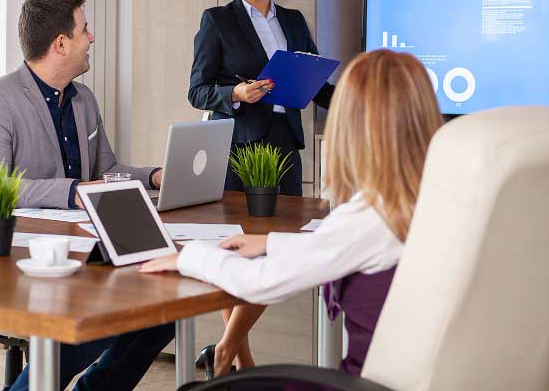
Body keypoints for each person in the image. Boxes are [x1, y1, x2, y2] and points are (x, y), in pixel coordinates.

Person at [141, 49, 443, 377]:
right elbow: (338, 248)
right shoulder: (432, 200)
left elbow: (260, 283)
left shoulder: (370, 215)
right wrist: (271, 242)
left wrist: (188, 257)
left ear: (352, 126)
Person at [0, 0, 173, 391]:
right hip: (29, 250)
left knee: (165, 308)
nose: (91, 38)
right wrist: (73, 191)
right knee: (99, 321)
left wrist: (154, 176)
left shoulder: (83, 100)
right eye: (85, 29)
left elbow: (107, 171)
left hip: (87, 241)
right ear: (61, 43)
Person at [187, 0, 336, 375]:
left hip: (284, 144)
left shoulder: (293, 22)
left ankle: (225, 353)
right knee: (234, 252)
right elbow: (197, 90)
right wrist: (238, 93)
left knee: (276, 250)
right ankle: (238, 361)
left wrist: (360, 97)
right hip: (237, 149)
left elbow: (313, 82)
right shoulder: (217, 19)